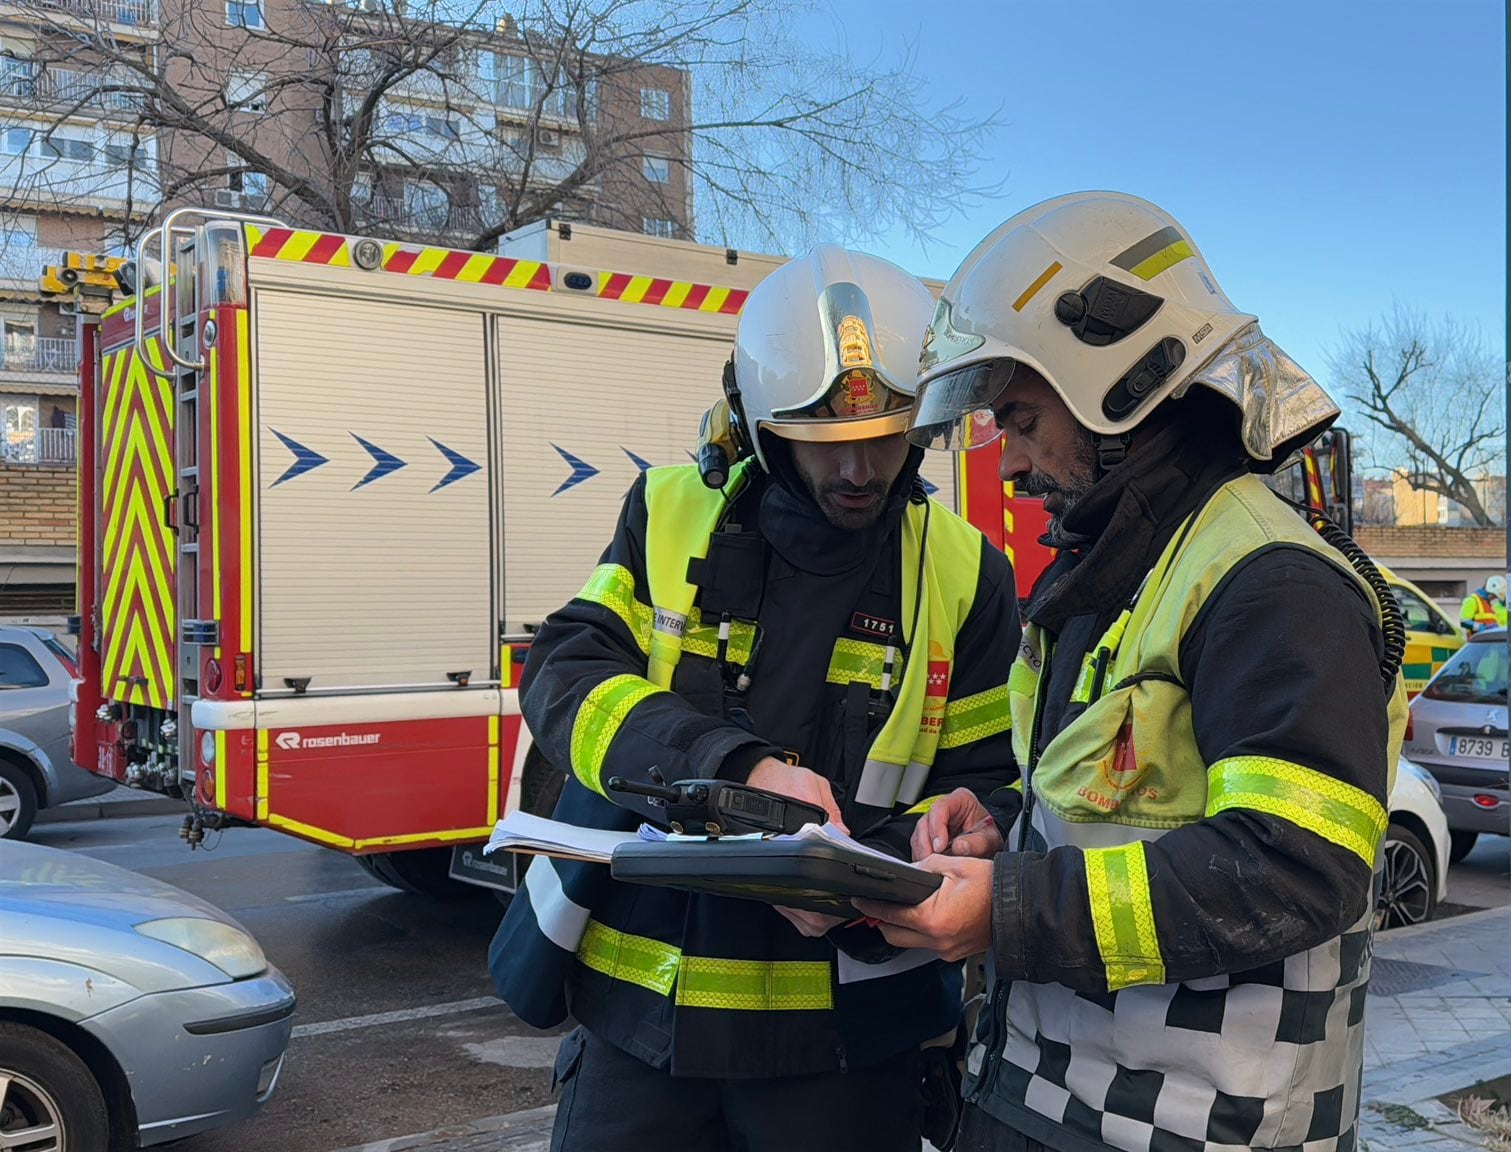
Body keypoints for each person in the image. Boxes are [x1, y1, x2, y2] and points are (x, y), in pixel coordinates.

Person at [857, 192, 1409, 1152]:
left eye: (1022, 419)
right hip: (1051, 1100)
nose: (1011, 462)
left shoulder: (1271, 585)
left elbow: (1292, 867)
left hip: (1194, 1130)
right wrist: (1004, 828)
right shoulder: (1121, 570)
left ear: (1119, 381)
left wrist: (1014, 909)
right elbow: (1120, 820)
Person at [488, 246, 1020, 1151]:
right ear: (764, 427)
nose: (859, 473)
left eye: (884, 440)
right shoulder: (664, 512)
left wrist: (864, 883)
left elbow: (989, 784)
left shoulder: (968, 574)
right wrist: (736, 768)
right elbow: (566, 673)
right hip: (637, 1037)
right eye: (828, 445)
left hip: (846, 1051)